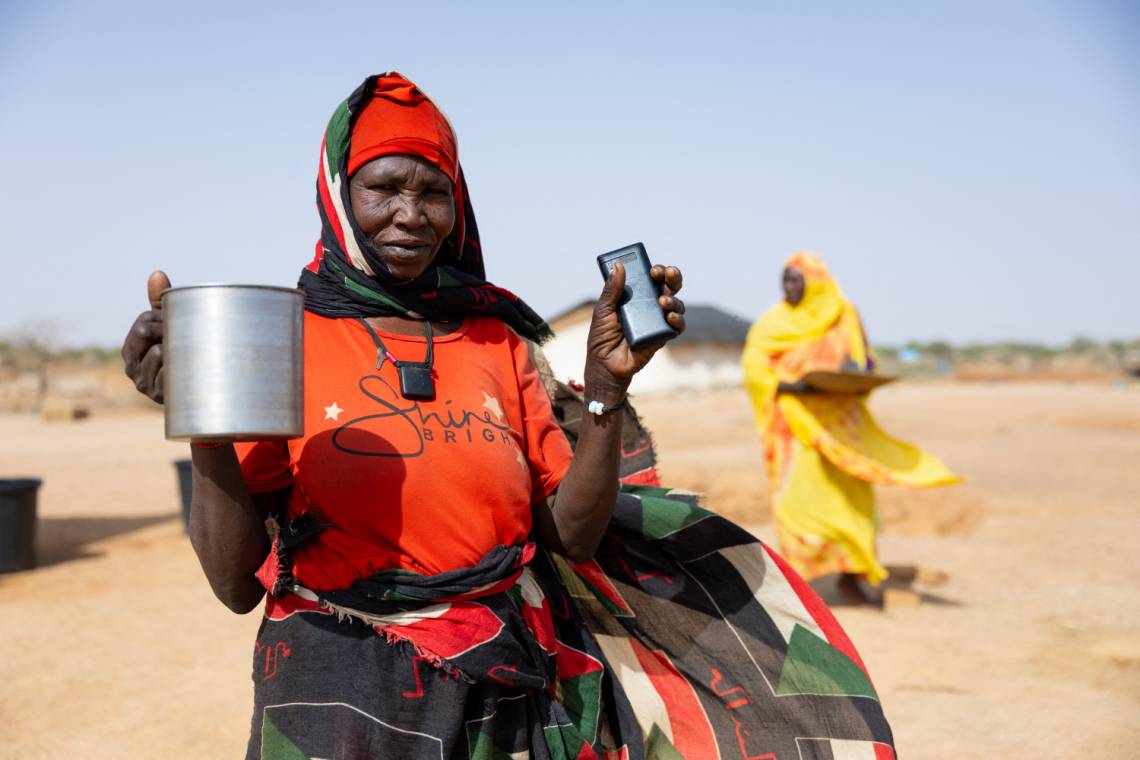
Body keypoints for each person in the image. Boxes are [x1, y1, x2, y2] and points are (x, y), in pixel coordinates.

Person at [124, 74, 896, 758]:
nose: (411, 215)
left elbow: (571, 534)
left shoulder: (495, 339)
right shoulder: (283, 338)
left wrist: (604, 392)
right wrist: (205, 420)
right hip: (334, 682)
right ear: (336, 195)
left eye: (434, 193)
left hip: (503, 680)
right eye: (383, 188)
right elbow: (233, 585)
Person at [742, 251, 959, 602]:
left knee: (848, 503)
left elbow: (864, 360)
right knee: (797, 506)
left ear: (815, 282)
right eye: (785, 280)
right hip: (794, 433)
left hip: (839, 426)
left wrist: (848, 375)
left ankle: (851, 577)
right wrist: (795, 387)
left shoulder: (843, 315)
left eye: (797, 279)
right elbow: (755, 368)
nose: (789, 287)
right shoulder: (771, 323)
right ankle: (805, 587)